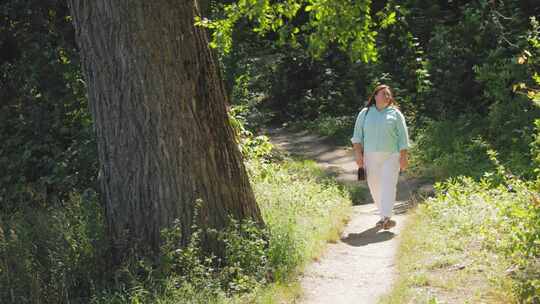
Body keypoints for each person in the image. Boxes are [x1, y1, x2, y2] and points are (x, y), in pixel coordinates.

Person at [351, 85, 410, 230]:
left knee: (388, 185)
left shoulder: (395, 114)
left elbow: (403, 137)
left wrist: (403, 157)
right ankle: (384, 216)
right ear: (375, 96)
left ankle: (386, 217)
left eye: (389, 94)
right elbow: (357, 137)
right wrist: (358, 154)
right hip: (370, 156)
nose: (387, 96)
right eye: (383, 94)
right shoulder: (365, 113)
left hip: (391, 156)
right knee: (375, 186)